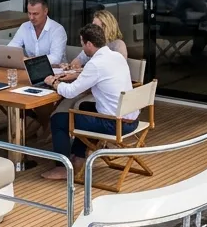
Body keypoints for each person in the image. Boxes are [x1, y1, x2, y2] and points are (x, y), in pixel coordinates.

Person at [40, 23, 135, 181]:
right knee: (84, 107)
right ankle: (78, 156)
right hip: (130, 118)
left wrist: (54, 82)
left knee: (58, 120)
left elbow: (70, 92)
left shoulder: (95, 64)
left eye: (82, 43)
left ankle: (62, 168)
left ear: (89, 44)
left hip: (115, 124)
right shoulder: (116, 56)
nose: (82, 47)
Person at [29, 10, 129, 140]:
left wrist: (54, 82)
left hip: (112, 114)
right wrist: (72, 68)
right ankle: (76, 149)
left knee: (60, 118)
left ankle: (55, 140)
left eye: (96, 25)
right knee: (76, 107)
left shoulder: (114, 48)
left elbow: (73, 90)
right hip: (125, 114)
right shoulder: (102, 51)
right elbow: (79, 61)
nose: (92, 27)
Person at [9, 0, 68, 65]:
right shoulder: (24, 27)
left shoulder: (57, 30)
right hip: (31, 69)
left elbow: (55, 59)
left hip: (55, 70)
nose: (31, 18)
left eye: (35, 14)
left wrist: (30, 60)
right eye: (29, 13)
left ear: (45, 11)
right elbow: (11, 48)